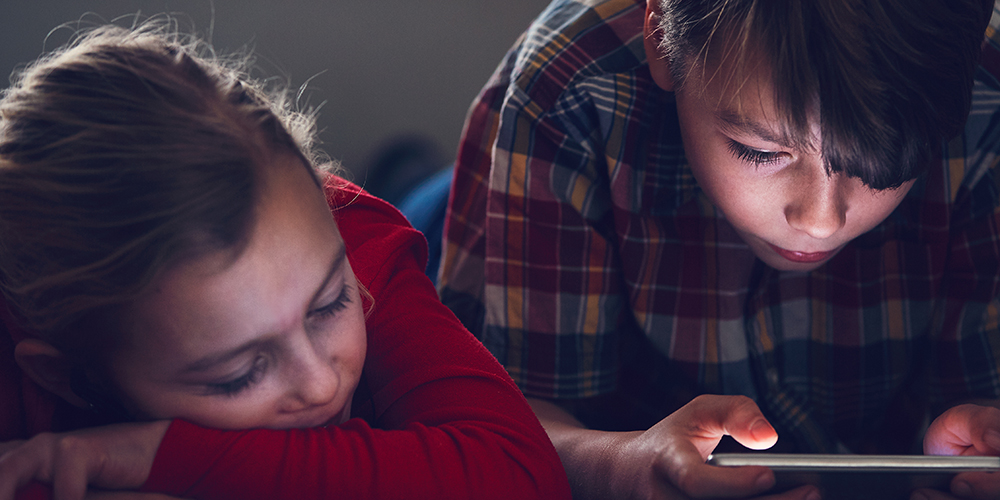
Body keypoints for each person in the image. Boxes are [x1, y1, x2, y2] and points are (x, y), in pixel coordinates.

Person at [437, 0, 1000, 498]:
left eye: (883, 167)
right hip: (505, 202)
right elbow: (502, 423)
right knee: (405, 231)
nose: (820, 221)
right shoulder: (567, 92)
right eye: (760, 151)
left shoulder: (996, 93)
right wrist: (623, 468)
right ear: (660, 34)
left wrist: (988, 452)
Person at [0, 22, 571, 500]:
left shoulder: (348, 240)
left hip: (397, 213)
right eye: (239, 374)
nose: (320, 384)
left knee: (437, 198)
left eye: (331, 305)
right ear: (67, 376)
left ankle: (404, 170)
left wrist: (165, 456)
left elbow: (520, 473)